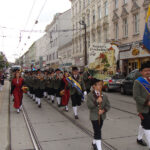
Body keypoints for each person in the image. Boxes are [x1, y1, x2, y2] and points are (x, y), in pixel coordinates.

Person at [87, 78, 110, 150]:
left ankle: (94, 143)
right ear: (94, 86)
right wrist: (97, 101)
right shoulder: (90, 95)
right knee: (98, 132)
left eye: (101, 84)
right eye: (98, 84)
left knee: (98, 130)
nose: (100, 86)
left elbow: (108, 106)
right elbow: (89, 106)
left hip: (102, 116)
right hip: (94, 117)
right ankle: (99, 148)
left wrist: (103, 110)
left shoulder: (104, 95)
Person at [133, 61, 150, 149]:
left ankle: (139, 139)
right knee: (147, 125)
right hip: (143, 108)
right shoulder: (138, 82)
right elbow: (136, 96)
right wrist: (147, 102)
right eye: (145, 70)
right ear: (141, 72)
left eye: (149, 70)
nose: (148, 72)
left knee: (144, 123)